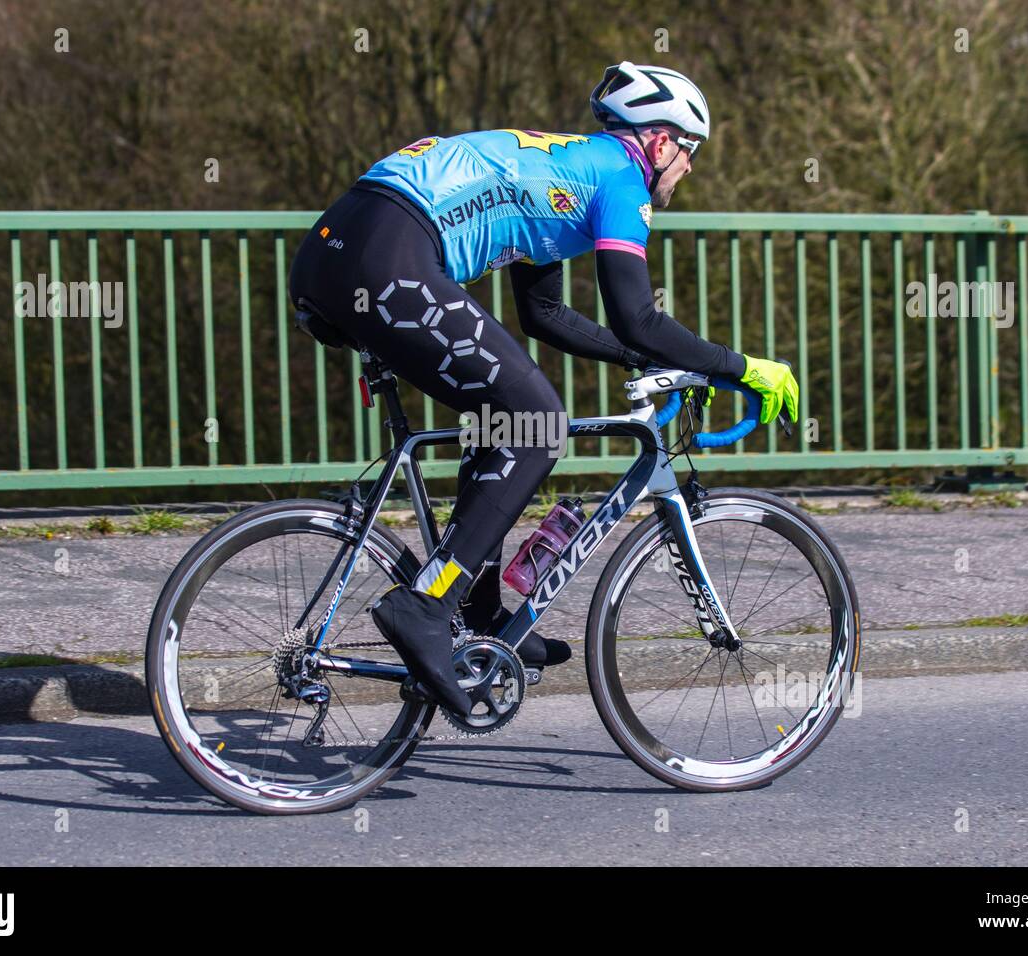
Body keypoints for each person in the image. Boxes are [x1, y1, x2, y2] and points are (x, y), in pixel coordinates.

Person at [289, 61, 799, 716]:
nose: (689, 169)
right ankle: (424, 605)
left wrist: (631, 361)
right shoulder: (620, 179)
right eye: (690, 152)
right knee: (537, 421)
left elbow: (545, 315)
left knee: (505, 420)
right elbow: (637, 315)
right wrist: (741, 366)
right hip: (385, 252)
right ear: (660, 140)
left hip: (341, 249)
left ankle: (475, 619)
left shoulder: (566, 173)